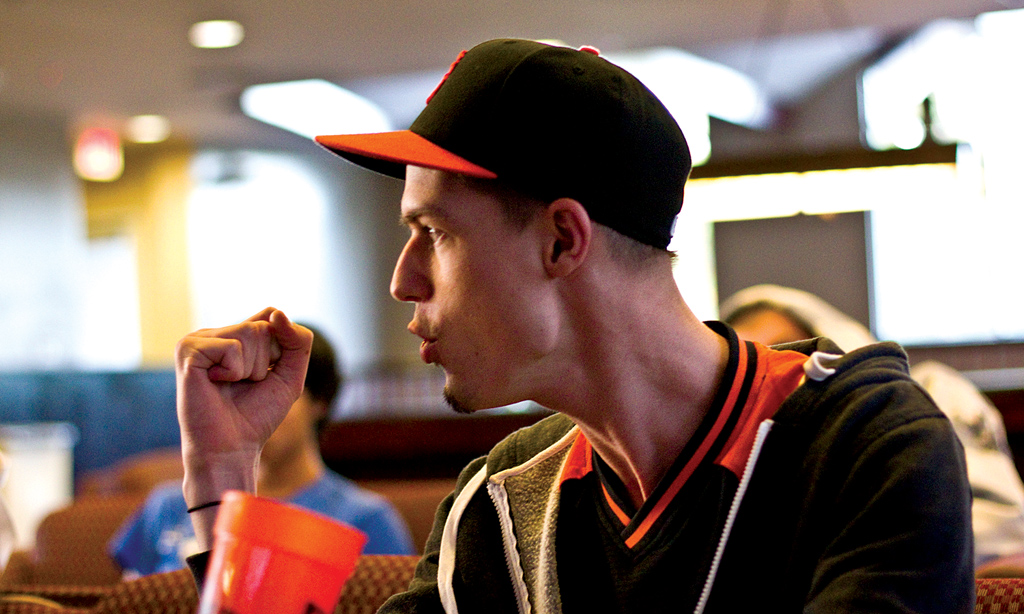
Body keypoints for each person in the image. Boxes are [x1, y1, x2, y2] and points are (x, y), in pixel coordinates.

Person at [175, 39, 974, 612]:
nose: (401, 280)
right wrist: (221, 476)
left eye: (436, 235)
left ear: (563, 239)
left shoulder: (864, 444)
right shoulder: (498, 500)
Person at [721, 283, 1024, 568]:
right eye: (753, 361)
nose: (771, 374)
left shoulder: (929, 393)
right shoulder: (728, 451)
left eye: (785, 352)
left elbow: (998, 525)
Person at [110, 325, 414, 578]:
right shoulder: (166, 505)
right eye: (246, 388)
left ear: (320, 402)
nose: (257, 409)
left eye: (280, 394)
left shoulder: (364, 519)